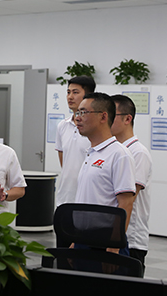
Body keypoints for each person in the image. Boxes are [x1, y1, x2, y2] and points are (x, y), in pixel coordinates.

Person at [73, 92, 136, 255]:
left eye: (83, 112)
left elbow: (126, 203)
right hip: (83, 238)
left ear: (103, 116)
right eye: (77, 112)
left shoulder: (119, 154)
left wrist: (114, 244)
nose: (77, 118)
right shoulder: (91, 152)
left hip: (105, 241)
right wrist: (75, 239)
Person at [111, 94, 152, 271]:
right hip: (111, 233)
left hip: (130, 239)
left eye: (112, 115)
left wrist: (115, 239)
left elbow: (128, 199)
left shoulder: (138, 153)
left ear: (128, 119)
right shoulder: (114, 150)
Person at [55, 76, 96, 207]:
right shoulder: (62, 126)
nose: (70, 97)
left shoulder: (96, 127)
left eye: (75, 92)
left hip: (88, 199)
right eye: (68, 92)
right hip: (65, 197)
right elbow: (64, 161)